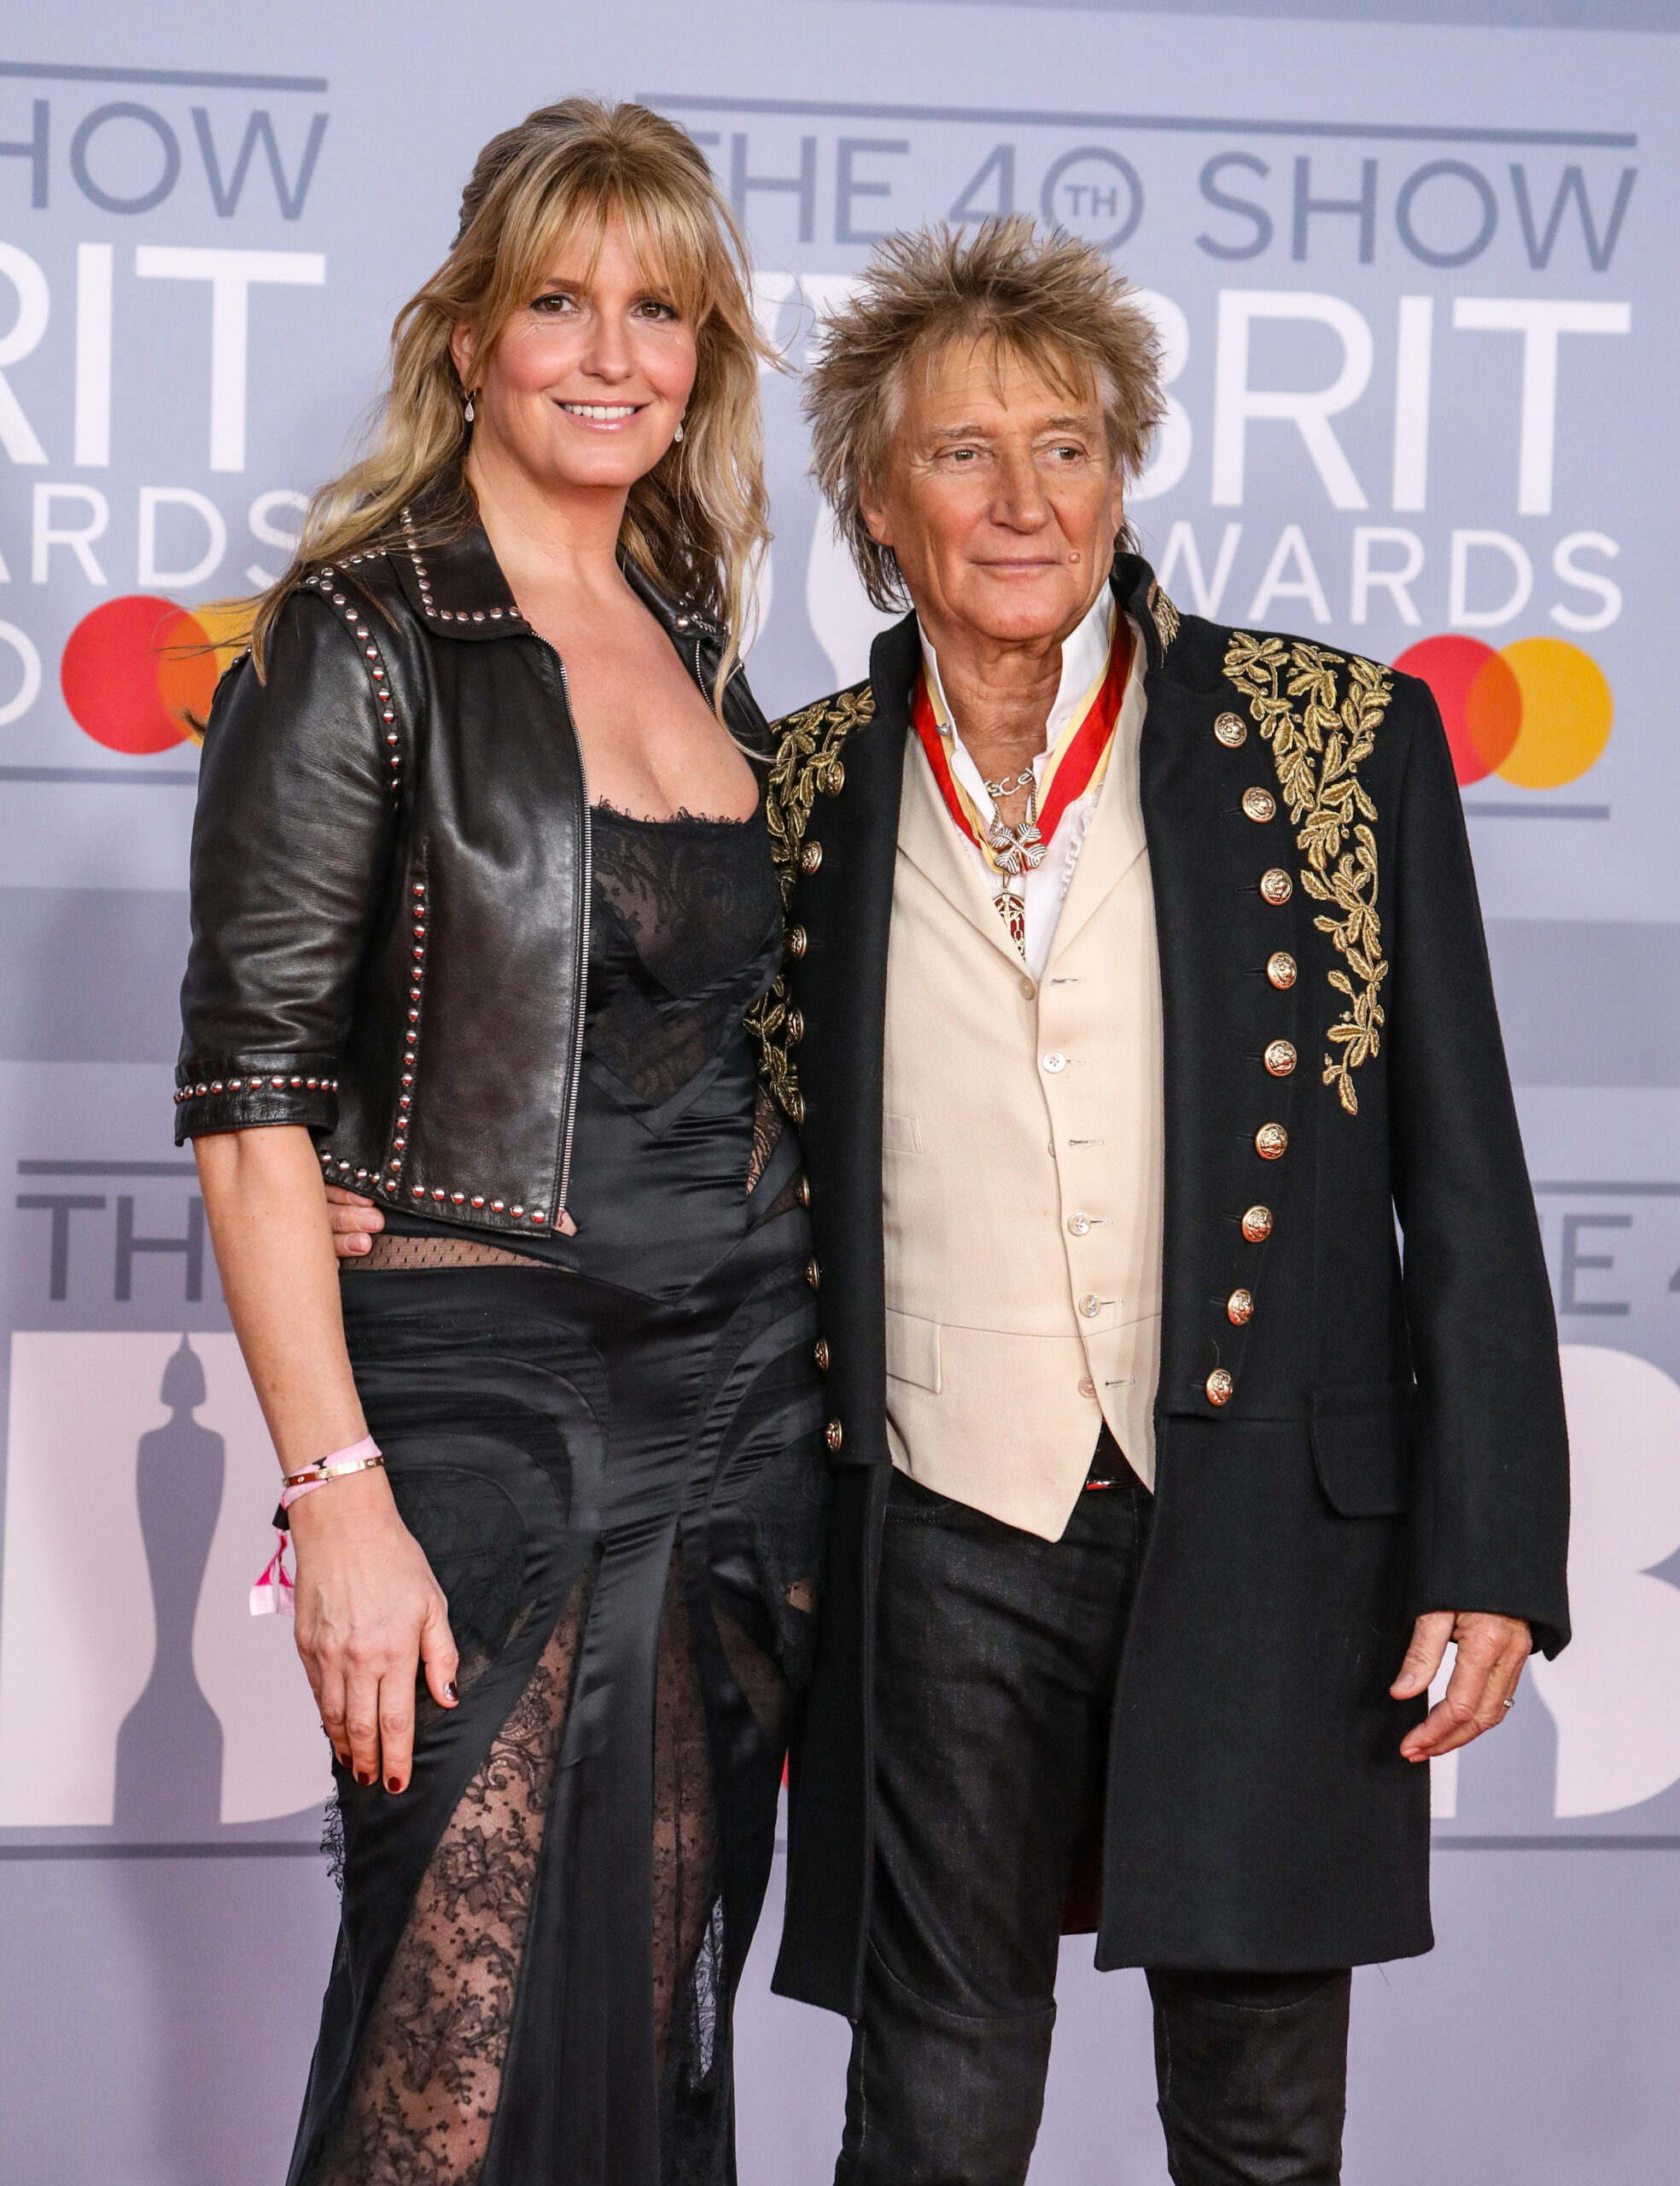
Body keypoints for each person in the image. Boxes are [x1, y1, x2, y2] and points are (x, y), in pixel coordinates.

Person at [737, 218, 1570, 2186]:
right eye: (964, 451)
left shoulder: (1337, 742)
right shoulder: (799, 787)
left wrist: (1498, 1539)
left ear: (1123, 471)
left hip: (1275, 1515)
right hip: (940, 1513)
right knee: (932, 2114)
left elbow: (1463, 1168)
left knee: (1264, 2121)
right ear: (875, 490)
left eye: (1070, 445)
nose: (1025, 501)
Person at [179, 99, 827, 2186]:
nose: (610, 352)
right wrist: (336, 1497)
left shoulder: (698, 625)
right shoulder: (352, 638)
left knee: (648, 2018)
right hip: (480, 1407)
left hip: (738, 1403)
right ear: (469, 333)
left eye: (659, 310)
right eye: (558, 300)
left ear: (706, 352)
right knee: (441, 2049)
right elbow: (251, 1106)